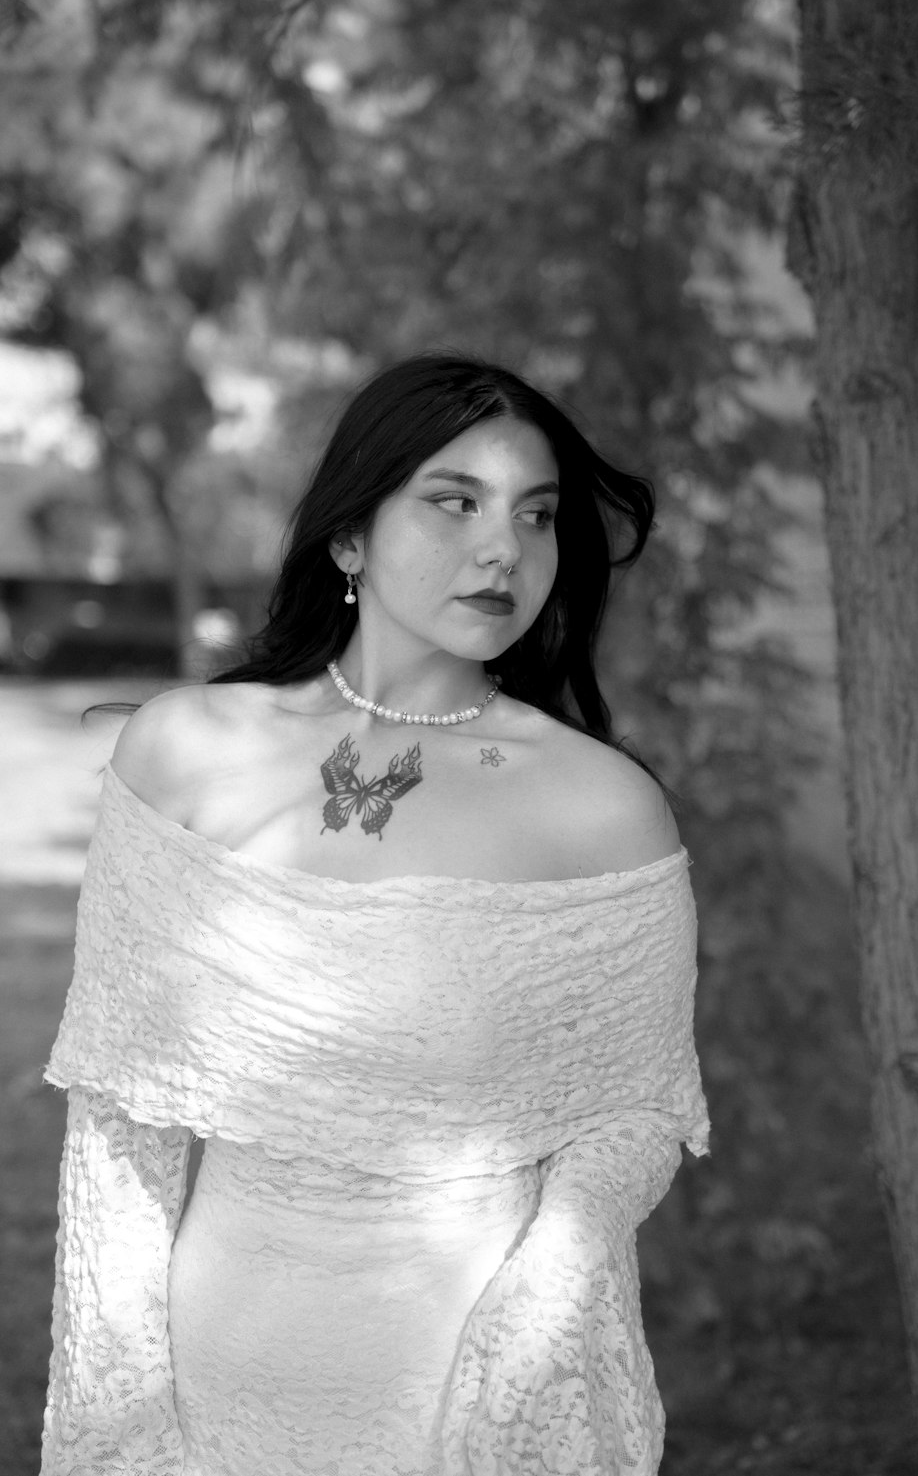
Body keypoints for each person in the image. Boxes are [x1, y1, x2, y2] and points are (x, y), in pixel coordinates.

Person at [40, 353, 709, 1476]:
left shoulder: (602, 809)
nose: (504, 550)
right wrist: (120, 1423)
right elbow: (120, 1126)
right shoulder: (183, 755)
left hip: (477, 1400)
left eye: (536, 517)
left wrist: (525, 1343)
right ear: (349, 536)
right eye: (454, 503)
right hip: (212, 1395)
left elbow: (632, 1116)